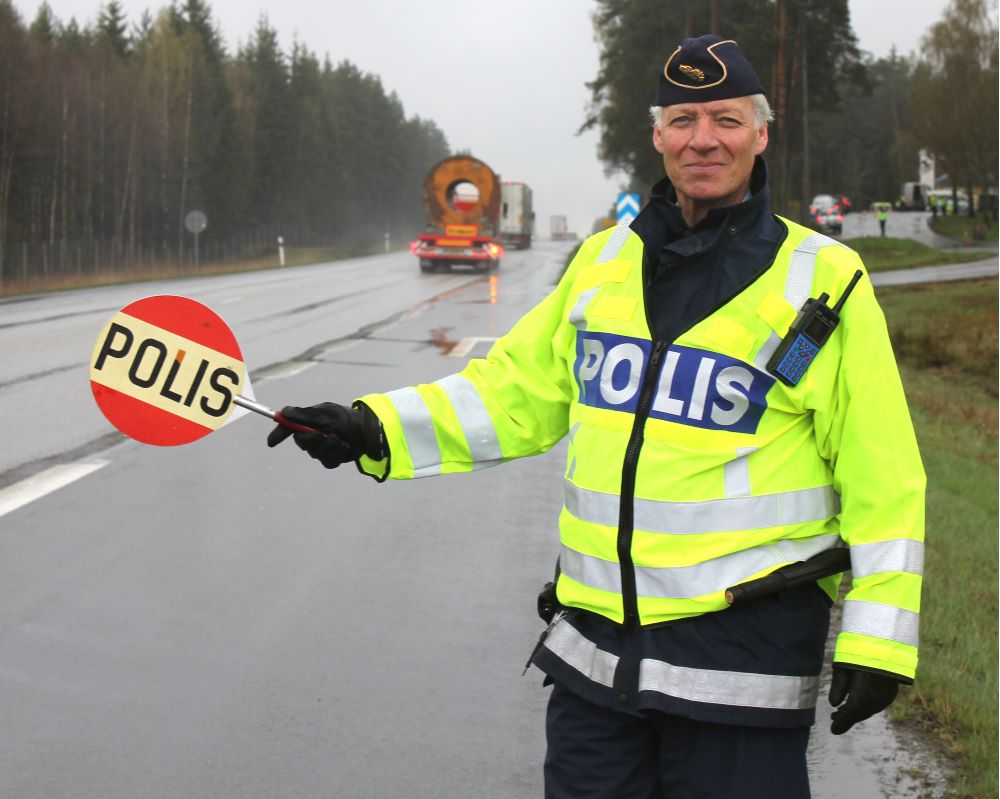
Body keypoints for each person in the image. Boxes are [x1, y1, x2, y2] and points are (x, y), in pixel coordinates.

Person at [267, 34, 925, 799]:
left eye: (724, 119)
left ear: (761, 132)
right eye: (682, 120)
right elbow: (509, 394)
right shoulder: (602, 262)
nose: (702, 138)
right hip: (593, 669)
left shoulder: (826, 281)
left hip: (740, 675)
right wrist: (369, 426)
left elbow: (883, 475)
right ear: (657, 135)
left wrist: (880, 638)